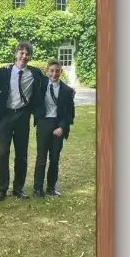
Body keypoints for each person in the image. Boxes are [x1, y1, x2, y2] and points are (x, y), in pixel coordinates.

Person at [0, 42, 46, 199]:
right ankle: (2, 188)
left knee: (21, 154)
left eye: (27, 54)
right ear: (15, 54)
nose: (24, 56)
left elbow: (50, 80)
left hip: (23, 116)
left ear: (30, 57)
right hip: (6, 116)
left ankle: (18, 188)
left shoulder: (35, 73)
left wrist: (69, 89)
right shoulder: (3, 72)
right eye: (21, 53)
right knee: (3, 153)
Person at [34, 60, 75, 196]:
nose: (54, 73)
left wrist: (62, 127)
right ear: (47, 71)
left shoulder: (67, 90)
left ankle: (51, 188)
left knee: (55, 159)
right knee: (41, 159)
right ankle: (38, 188)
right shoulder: (40, 85)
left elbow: (70, 113)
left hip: (58, 126)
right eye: (51, 70)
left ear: (61, 72)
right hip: (44, 123)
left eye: (57, 71)